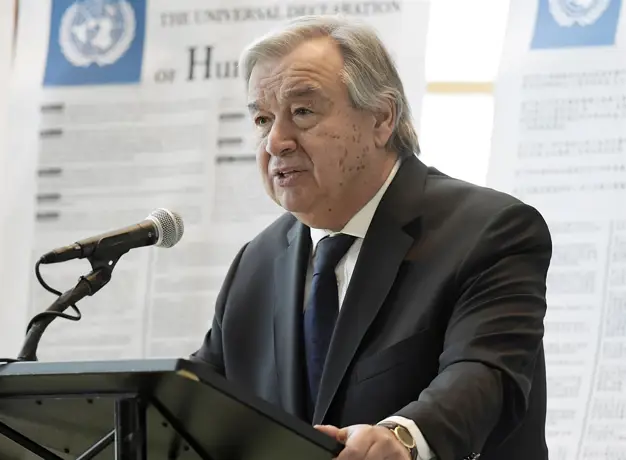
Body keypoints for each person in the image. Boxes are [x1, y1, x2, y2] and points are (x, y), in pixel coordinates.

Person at [192, 15, 552, 460]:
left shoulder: (488, 231)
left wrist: (404, 436)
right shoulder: (257, 262)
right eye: (263, 119)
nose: (276, 142)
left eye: (302, 112)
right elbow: (195, 401)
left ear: (382, 118)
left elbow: (484, 373)